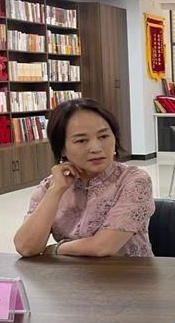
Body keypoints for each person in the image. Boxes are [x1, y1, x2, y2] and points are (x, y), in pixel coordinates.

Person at [14, 98, 155, 257]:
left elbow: (103, 247)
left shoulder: (133, 180)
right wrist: (56, 191)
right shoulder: (50, 185)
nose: (96, 148)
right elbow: (26, 247)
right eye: (81, 140)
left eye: (103, 136)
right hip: (71, 272)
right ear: (62, 149)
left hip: (129, 271)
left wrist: (55, 249)